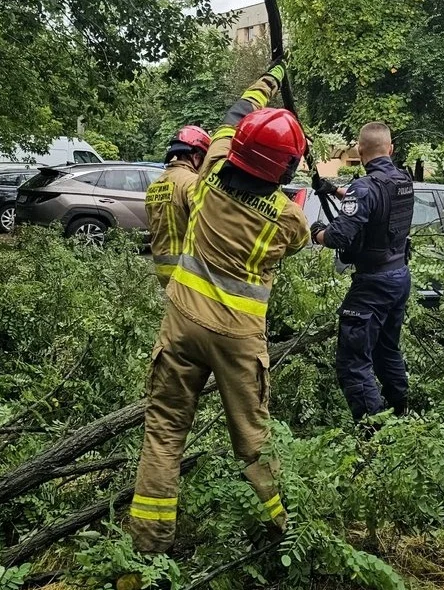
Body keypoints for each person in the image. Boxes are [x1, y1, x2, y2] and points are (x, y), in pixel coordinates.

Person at [129, 60, 310, 554]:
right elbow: (297, 229)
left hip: (182, 324)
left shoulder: (206, 177)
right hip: (237, 341)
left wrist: (270, 79)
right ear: (286, 168)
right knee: (254, 443)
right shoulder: (289, 221)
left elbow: (235, 113)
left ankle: (148, 547)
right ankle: (285, 537)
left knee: (164, 431)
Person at [310, 122, 414, 421]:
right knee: (387, 351)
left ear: (359, 151)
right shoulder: (404, 180)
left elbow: (338, 237)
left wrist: (316, 232)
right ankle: (401, 413)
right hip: (399, 277)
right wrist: (337, 190)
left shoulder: (365, 188)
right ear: (390, 149)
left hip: (373, 284)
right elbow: (376, 202)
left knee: (353, 362)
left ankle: (374, 435)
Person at [145, 126, 211, 288]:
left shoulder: (154, 185)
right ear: (196, 157)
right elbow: (206, 225)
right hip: (187, 269)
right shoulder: (192, 183)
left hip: (162, 268)